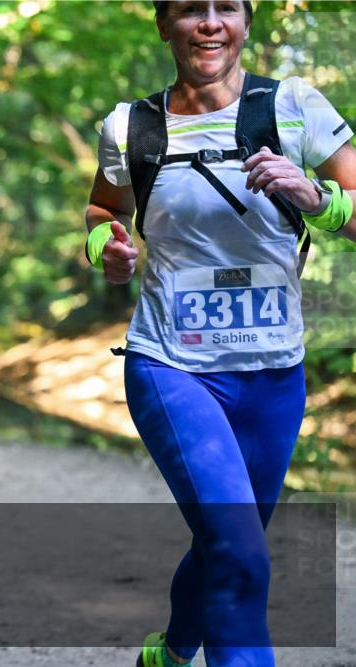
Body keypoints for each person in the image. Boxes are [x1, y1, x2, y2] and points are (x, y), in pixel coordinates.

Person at [85, 2, 355, 665]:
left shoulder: (293, 106)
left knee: (227, 545)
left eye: (225, 7)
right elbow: (103, 209)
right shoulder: (132, 126)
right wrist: (104, 249)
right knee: (240, 553)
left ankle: (171, 654)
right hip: (171, 365)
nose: (209, 23)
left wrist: (319, 200)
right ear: (163, 23)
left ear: (246, 20)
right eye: (189, 9)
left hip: (273, 375)